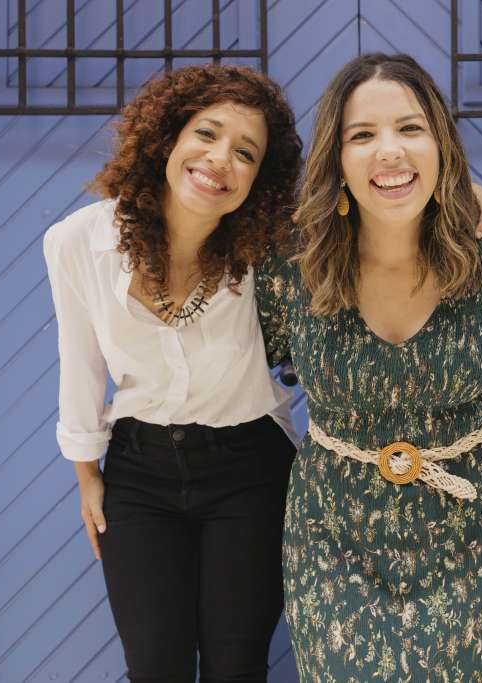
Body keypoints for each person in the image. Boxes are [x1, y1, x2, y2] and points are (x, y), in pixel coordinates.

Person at [254, 53, 482, 680]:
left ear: (441, 146)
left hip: (479, 535)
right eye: (362, 135)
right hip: (333, 540)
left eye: (411, 128)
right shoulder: (289, 262)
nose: (390, 150)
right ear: (336, 158)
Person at [42, 63, 304, 682]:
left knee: (236, 667)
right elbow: (80, 363)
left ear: (258, 178)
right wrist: (87, 476)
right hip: (140, 474)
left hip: (251, 470)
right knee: (155, 666)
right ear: (168, 137)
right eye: (206, 134)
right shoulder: (79, 242)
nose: (220, 159)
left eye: (245, 153)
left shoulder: (270, 252)